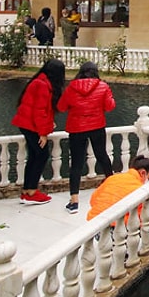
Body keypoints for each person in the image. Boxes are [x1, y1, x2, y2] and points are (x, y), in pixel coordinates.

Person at [87, 155, 149, 260]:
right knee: (136, 223)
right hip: (113, 233)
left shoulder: (113, 178)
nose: (148, 181)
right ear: (143, 173)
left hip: (96, 229)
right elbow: (146, 220)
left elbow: (93, 199)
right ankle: (121, 254)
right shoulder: (138, 189)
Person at [58, 61, 116, 213]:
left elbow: (61, 107)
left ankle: (74, 200)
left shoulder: (72, 87)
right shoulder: (103, 86)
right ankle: (113, 187)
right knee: (102, 156)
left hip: (76, 128)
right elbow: (110, 107)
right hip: (97, 126)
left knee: (76, 163)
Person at [10, 59, 65, 204]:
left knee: (34, 156)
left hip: (26, 124)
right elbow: (39, 112)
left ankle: (27, 190)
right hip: (31, 126)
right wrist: (43, 133)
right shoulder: (42, 85)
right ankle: (31, 192)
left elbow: (43, 110)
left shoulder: (40, 81)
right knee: (41, 155)